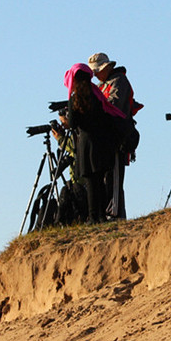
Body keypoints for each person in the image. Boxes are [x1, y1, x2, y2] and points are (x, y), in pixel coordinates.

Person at [63, 63, 125, 223]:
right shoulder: (97, 95)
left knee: (90, 182)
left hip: (85, 143)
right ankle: (102, 215)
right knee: (99, 180)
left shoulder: (74, 99)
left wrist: (66, 121)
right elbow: (107, 115)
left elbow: (74, 123)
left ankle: (92, 216)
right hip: (101, 142)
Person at [88, 52, 139, 220]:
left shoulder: (119, 81)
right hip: (107, 139)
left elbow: (113, 105)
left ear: (107, 67)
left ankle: (115, 215)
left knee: (114, 179)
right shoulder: (102, 85)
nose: (95, 74)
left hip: (117, 138)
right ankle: (110, 213)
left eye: (97, 70)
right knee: (107, 179)